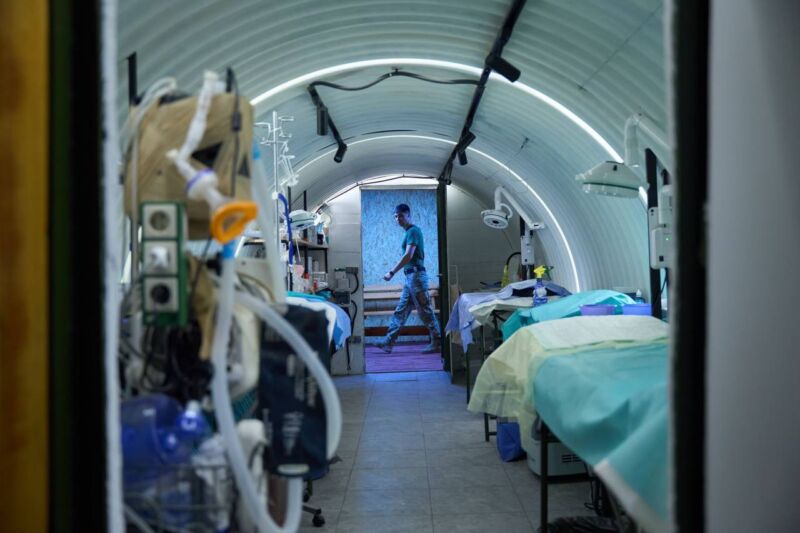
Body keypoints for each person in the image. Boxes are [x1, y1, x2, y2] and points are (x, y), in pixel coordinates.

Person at [375, 203, 441, 354]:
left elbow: (408, 255)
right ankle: (388, 342)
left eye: (401, 216)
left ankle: (437, 341)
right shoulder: (408, 232)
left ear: (409, 215)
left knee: (425, 311)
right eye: (396, 216)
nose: (398, 219)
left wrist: (391, 272)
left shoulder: (413, 231)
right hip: (410, 278)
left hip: (416, 277)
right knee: (401, 310)